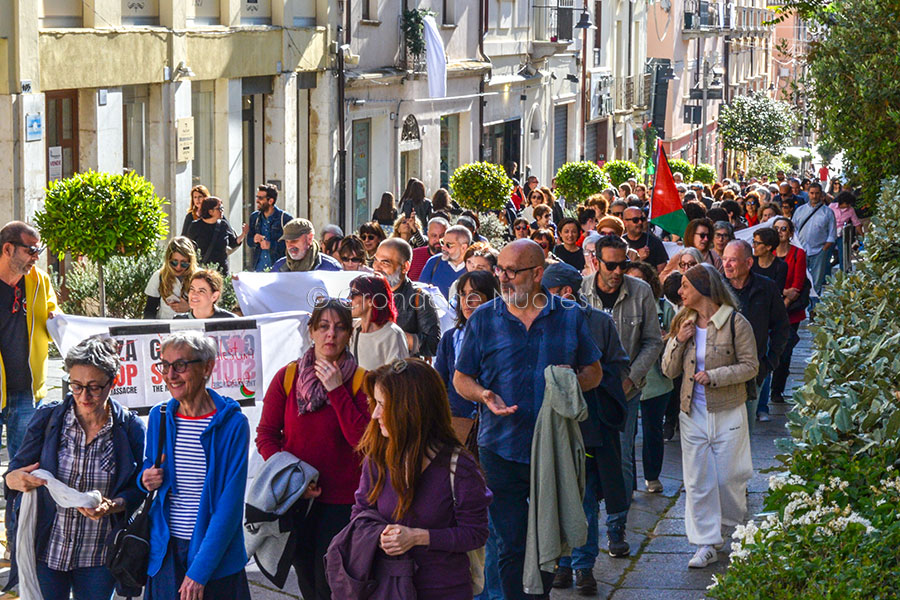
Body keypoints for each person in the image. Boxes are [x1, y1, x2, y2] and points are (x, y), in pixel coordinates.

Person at [454, 239, 604, 600]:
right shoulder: (486, 318)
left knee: (547, 538)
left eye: (512, 271)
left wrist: (569, 384)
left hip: (553, 447)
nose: (503, 278)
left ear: (537, 274)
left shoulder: (569, 315)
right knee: (510, 541)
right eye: (499, 270)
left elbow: (595, 373)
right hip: (500, 447)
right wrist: (483, 394)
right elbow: (461, 380)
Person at [4, 337, 146, 600]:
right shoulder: (48, 419)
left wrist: (112, 505)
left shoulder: (129, 428)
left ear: (112, 383)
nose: (84, 396)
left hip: (99, 554)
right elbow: (12, 475)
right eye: (77, 386)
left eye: (94, 387)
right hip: (48, 549)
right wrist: (16, 479)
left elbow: (140, 488)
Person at [257, 299, 370, 599]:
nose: (330, 334)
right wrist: (294, 478)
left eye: (340, 327)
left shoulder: (362, 381)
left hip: (344, 502)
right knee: (306, 577)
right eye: (323, 326)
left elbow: (364, 441)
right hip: (297, 498)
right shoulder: (287, 377)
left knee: (333, 583)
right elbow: (267, 436)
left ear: (349, 334)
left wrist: (336, 390)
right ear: (311, 332)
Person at [351, 358, 491, 599]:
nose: (375, 414)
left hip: (444, 590)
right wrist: (382, 534)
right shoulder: (378, 458)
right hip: (387, 588)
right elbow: (360, 513)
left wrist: (417, 537)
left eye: (383, 405)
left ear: (410, 409)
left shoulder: (459, 467)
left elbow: (476, 533)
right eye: (375, 403)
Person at [139, 330, 251, 599]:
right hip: (166, 553)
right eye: (165, 365)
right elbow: (147, 468)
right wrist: (145, 478)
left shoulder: (233, 424)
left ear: (207, 367)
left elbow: (230, 506)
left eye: (180, 365)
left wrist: (199, 571)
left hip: (215, 557)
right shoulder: (160, 416)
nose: (170, 375)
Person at [661, 264, 758, 569]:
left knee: (730, 476)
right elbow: (668, 370)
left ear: (703, 288)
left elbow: (750, 366)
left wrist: (715, 376)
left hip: (729, 408)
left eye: (686, 286)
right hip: (692, 411)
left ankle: (729, 527)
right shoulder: (683, 321)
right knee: (698, 480)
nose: (680, 291)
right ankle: (705, 542)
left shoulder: (735, 323)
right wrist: (678, 340)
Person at [543, 262, 630, 594]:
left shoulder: (599, 322)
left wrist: (583, 378)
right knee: (555, 494)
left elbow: (617, 365)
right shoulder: (539, 321)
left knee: (584, 497)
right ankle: (561, 563)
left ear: (566, 291)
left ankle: (582, 565)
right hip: (551, 425)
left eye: (547, 291)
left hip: (590, 426)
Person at [580, 235, 663, 514]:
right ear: (596, 262)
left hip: (624, 390)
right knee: (584, 456)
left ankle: (619, 524)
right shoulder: (579, 293)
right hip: (586, 392)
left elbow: (653, 341)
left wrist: (630, 379)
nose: (618, 272)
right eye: (611, 266)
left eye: (623, 265)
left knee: (623, 456)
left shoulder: (640, 291)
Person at [0, 222, 59, 462]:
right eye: (30, 250)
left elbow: (54, 315)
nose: (36, 257)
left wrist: (58, 321)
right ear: (7, 249)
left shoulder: (40, 281)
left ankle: (16, 502)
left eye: (39, 251)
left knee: (24, 464)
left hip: (27, 390)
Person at [722, 240, 789, 427]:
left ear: (749, 263)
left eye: (733, 260)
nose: (726, 264)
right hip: (720, 372)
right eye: (724, 259)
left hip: (753, 372)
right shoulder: (715, 288)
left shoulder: (766, 288)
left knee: (745, 432)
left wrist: (770, 362)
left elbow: (781, 327)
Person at [623, 260, 674, 494]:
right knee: (628, 433)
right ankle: (629, 479)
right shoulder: (619, 307)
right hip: (626, 382)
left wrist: (667, 339)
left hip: (656, 381)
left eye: (640, 281)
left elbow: (676, 344)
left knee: (653, 429)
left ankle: (652, 476)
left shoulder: (663, 308)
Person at [373, 238, 441, 358]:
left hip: (403, 371)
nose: (377, 268)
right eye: (375, 260)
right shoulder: (366, 293)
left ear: (405, 267)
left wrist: (392, 334)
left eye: (385, 263)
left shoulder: (419, 297)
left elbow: (433, 346)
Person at [770, 217, 807, 404]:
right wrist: (783, 292)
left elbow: (797, 287)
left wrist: (781, 307)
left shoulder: (798, 254)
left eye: (783, 229)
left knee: (785, 352)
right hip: (769, 312)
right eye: (776, 229)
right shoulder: (766, 253)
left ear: (790, 232)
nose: (780, 232)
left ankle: (777, 389)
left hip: (791, 314)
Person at [348, 275, 409, 370]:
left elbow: (398, 379)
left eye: (353, 294)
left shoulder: (392, 334)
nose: (348, 298)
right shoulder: (353, 328)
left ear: (371, 300)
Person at [791, 182, 837, 296]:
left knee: (817, 281)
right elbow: (793, 229)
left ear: (821, 194)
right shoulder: (800, 211)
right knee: (800, 278)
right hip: (801, 249)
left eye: (817, 193)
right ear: (808, 194)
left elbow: (832, 234)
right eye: (812, 193)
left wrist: (824, 249)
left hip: (819, 250)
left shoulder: (828, 212)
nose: (814, 196)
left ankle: (813, 307)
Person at [187, 197, 248, 276]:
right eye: (220, 208)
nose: (222, 210)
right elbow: (189, 247)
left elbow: (233, 243)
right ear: (210, 211)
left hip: (221, 271)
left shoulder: (223, 225)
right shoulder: (196, 226)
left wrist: (243, 234)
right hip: (203, 271)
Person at [144, 236, 197, 319]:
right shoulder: (159, 276)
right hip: (165, 328)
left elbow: (210, 309)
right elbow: (150, 310)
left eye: (184, 263)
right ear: (168, 260)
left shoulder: (199, 277)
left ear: (190, 262)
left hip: (192, 328)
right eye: (174, 262)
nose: (178, 267)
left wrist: (189, 307)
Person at [247, 184, 293, 272]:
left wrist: (271, 245)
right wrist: (254, 239)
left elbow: (292, 244)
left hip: (279, 269)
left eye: (260, 198)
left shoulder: (285, 218)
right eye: (257, 197)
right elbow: (249, 242)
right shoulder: (254, 217)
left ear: (270, 201)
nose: (257, 201)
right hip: (258, 269)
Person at [419, 225, 472, 299]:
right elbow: (420, 293)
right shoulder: (433, 262)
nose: (443, 248)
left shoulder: (474, 266)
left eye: (449, 245)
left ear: (463, 247)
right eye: (442, 242)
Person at [272, 219, 342, 273]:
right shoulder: (279, 267)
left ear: (309, 238)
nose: (290, 246)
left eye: (294, 240)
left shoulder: (331, 267)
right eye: (287, 241)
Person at [622, 207, 667, 272]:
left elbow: (662, 271)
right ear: (625, 223)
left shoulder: (654, 242)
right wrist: (639, 259)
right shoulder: (620, 243)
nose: (640, 222)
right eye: (635, 220)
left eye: (642, 219)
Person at [830, 190, 863, 271]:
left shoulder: (850, 210)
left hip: (842, 235)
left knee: (843, 256)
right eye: (847, 204)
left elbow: (856, 223)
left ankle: (843, 273)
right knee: (827, 255)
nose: (848, 206)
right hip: (830, 234)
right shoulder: (832, 207)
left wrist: (862, 236)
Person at [410, 216, 448, 281]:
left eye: (442, 236)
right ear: (428, 234)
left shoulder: (453, 259)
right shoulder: (413, 255)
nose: (437, 240)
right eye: (434, 235)